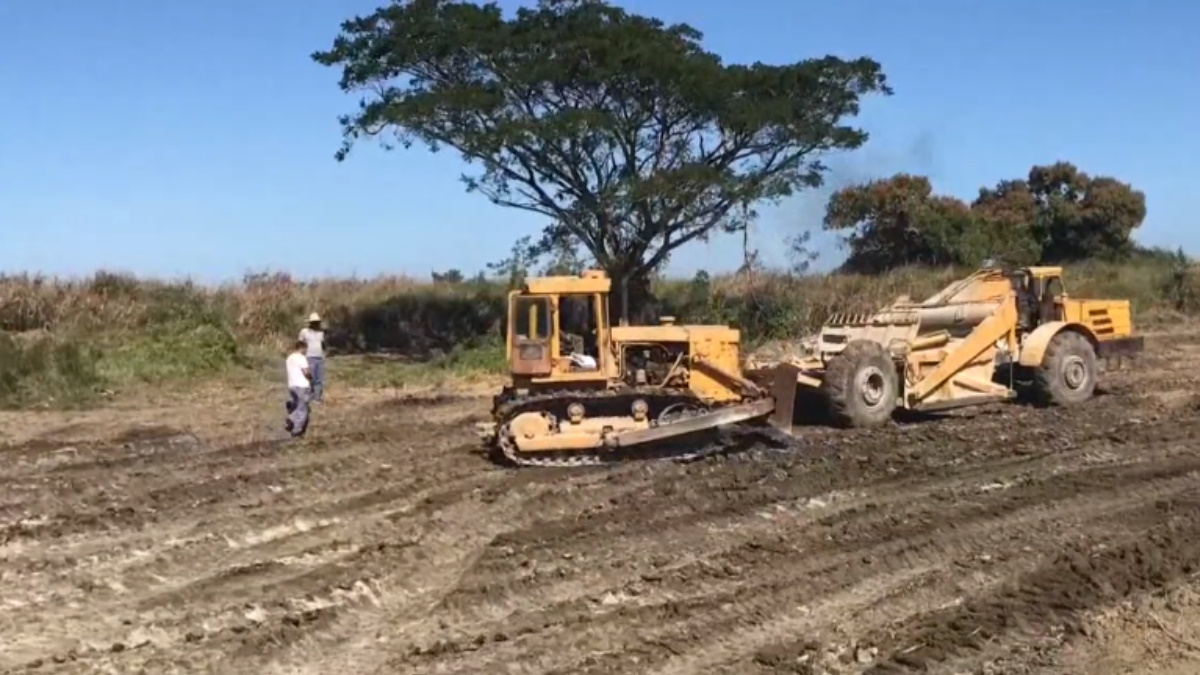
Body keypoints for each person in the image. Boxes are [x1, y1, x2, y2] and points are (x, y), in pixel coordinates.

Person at [284, 339, 311, 437]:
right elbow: (306, 372)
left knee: (296, 406)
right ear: (302, 348)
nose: (306, 351)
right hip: (302, 385)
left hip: (292, 386)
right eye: (306, 349)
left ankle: (290, 419)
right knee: (303, 409)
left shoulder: (289, 358)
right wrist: (311, 378)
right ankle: (296, 429)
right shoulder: (301, 358)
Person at [298, 312, 326, 403]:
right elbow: (300, 343)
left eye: (317, 322)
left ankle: (317, 397)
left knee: (319, 378)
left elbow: (323, 344)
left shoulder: (321, 332)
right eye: (314, 322)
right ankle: (308, 396)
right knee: (310, 378)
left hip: (319, 357)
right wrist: (301, 354)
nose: (316, 324)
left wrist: (324, 354)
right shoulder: (304, 332)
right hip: (309, 357)